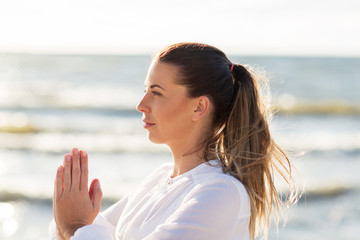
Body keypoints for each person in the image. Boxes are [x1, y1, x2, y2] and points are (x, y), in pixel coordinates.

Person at [50, 43, 298, 240]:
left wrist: (76, 226)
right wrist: (73, 223)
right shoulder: (161, 178)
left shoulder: (221, 192)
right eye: (146, 89)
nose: (141, 104)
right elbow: (88, 229)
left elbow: (82, 230)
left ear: (199, 107)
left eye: (156, 92)